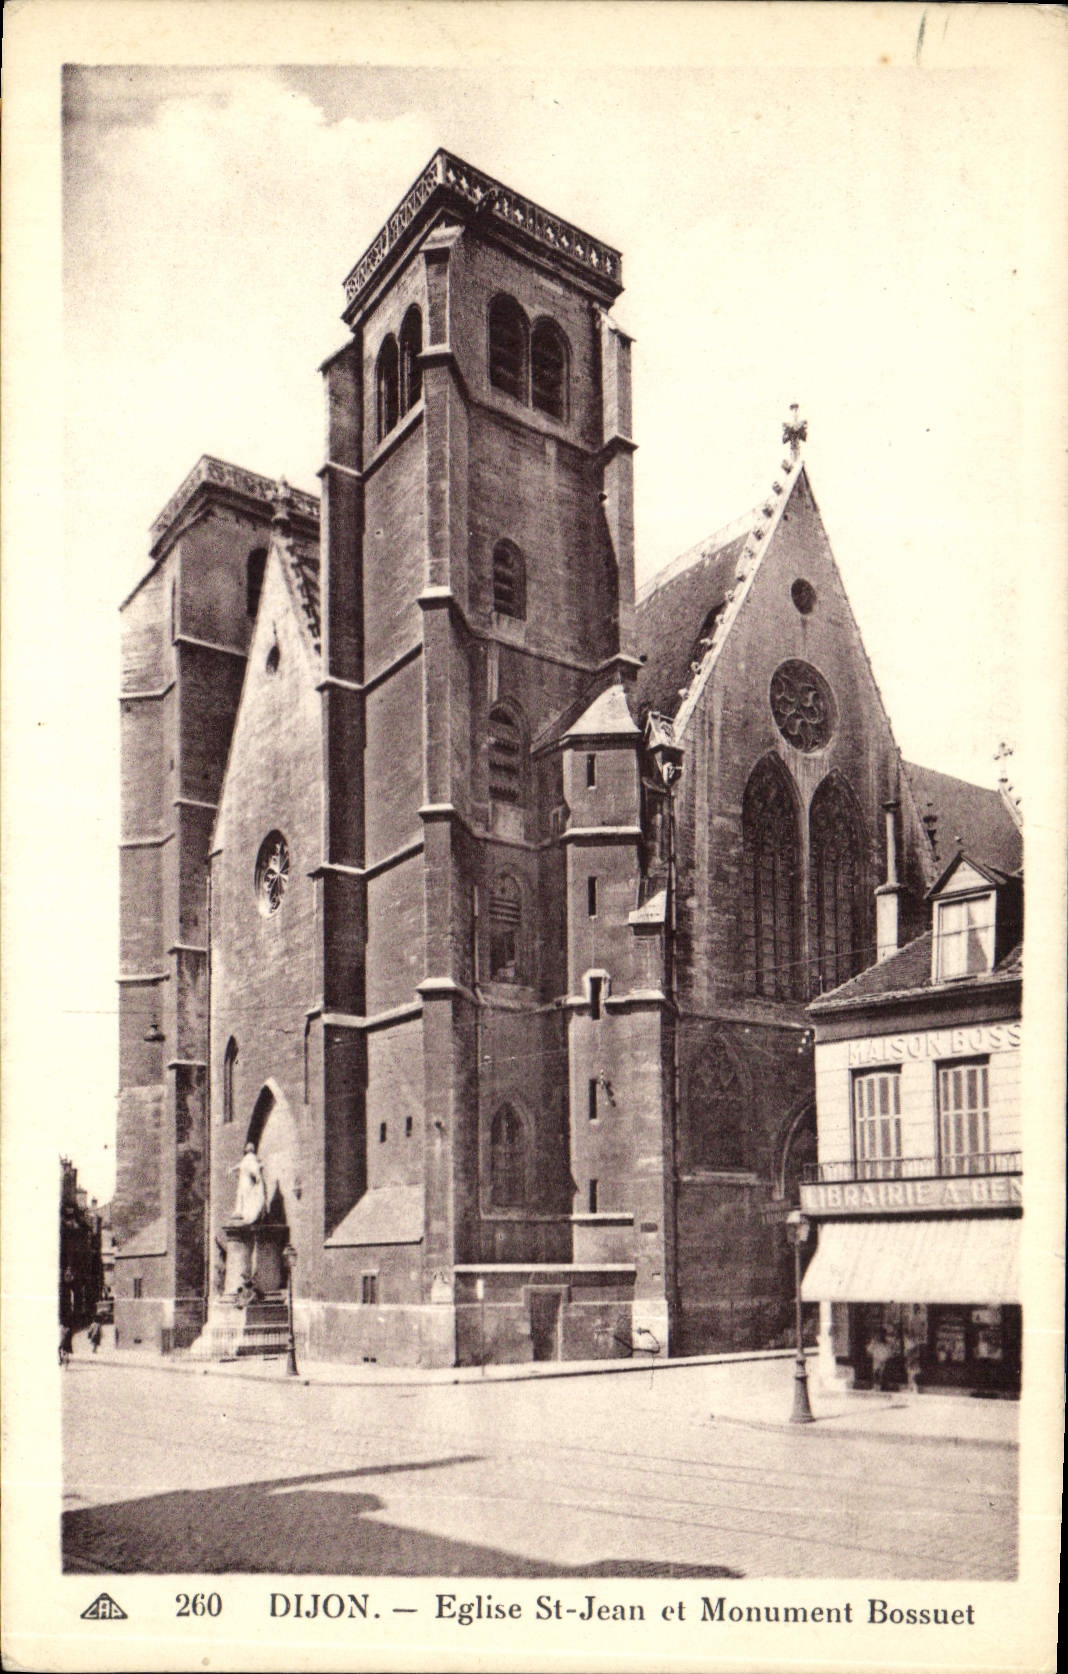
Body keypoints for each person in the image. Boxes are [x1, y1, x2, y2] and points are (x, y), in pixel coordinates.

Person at [232, 1143, 267, 1223]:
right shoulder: (249, 1158)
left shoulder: (249, 1158)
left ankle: (246, 1215)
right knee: (244, 1196)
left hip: (245, 1181)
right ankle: (243, 1213)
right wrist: (233, 1169)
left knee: (245, 1196)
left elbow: (253, 1168)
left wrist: (257, 1176)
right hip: (245, 1181)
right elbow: (244, 1166)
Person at [866, 1327, 893, 1391]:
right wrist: (875, 1357)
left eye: (883, 1334)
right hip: (876, 1361)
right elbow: (869, 1351)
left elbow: (890, 1353)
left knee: (883, 1374)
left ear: (885, 1335)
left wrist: (885, 1360)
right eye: (880, 1334)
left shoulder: (888, 1344)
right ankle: (875, 1387)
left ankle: (883, 1387)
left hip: (885, 1362)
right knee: (876, 1374)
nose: (881, 1335)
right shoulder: (874, 1343)